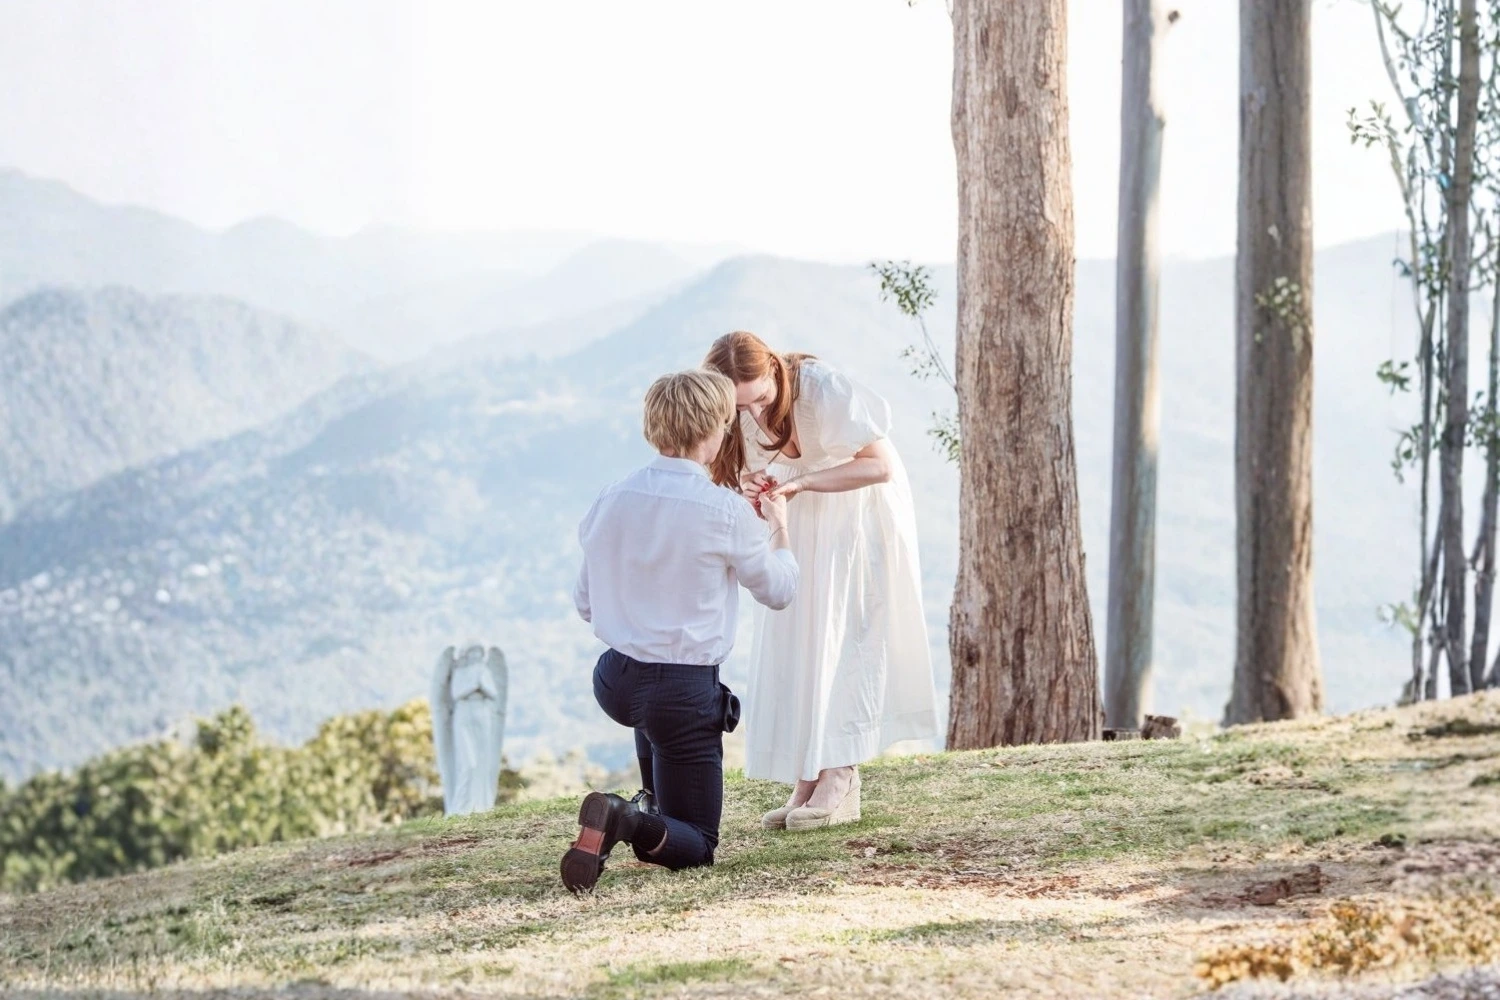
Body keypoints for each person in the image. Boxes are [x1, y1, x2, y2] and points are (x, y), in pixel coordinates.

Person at [562, 368, 798, 894]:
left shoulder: (611, 497)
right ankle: (625, 819)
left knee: (658, 743)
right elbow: (779, 590)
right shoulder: (725, 511)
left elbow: (585, 603)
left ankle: (638, 814)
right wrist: (778, 526)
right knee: (699, 846)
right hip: (681, 693)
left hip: (615, 680)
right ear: (714, 428)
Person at [703, 331, 938, 831]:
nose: (754, 413)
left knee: (847, 640)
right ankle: (808, 774)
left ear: (773, 370)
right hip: (802, 521)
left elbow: (880, 465)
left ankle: (840, 775)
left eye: (760, 398)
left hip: (857, 519)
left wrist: (803, 482)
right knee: (803, 641)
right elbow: (737, 468)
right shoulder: (733, 409)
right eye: (741, 407)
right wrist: (751, 483)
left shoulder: (821, 388)